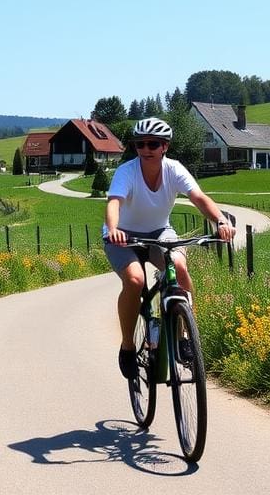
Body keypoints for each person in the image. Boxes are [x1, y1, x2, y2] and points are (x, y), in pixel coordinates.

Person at [103, 117, 235, 379]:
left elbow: (198, 197)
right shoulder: (126, 172)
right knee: (135, 280)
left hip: (159, 231)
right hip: (123, 236)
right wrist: (114, 229)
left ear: (165, 147)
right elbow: (114, 203)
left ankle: (184, 336)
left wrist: (220, 220)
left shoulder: (174, 170)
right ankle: (128, 347)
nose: (146, 149)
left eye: (153, 144)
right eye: (140, 144)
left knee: (180, 269)